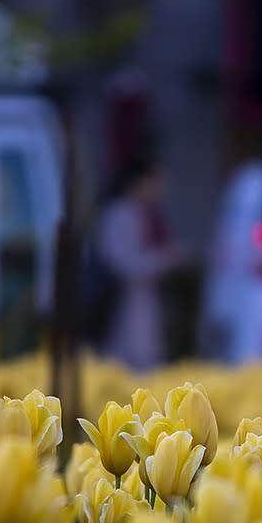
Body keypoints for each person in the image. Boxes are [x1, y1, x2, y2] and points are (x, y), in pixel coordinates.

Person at [95, 156, 185, 370]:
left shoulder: (142, 213)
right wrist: (166, 258)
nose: (161, 188)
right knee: (126, 362)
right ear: (140, 181)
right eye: (156, 181)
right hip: (123, 299)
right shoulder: (120, 214)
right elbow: (124, 263)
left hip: (142, 298)